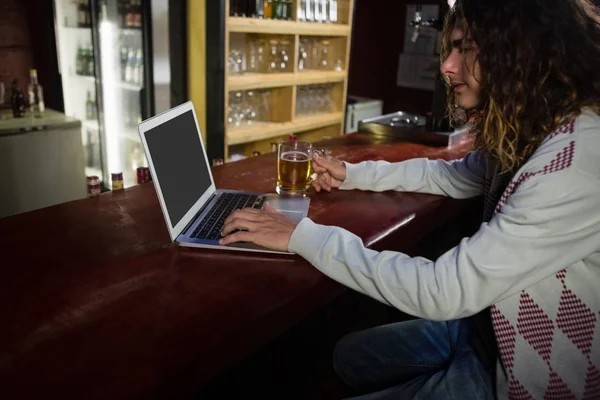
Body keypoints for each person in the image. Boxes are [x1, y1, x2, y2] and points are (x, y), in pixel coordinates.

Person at [220, 0, 600, 398]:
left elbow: (443, 290)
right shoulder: (540, 125)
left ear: (523, 51)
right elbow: (451, 174)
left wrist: (300, 235)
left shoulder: (575, 164)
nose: (446, 66)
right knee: (347, 356)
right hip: (486, 329)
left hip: (527, 375)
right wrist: (352, 174)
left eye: (467, 48)